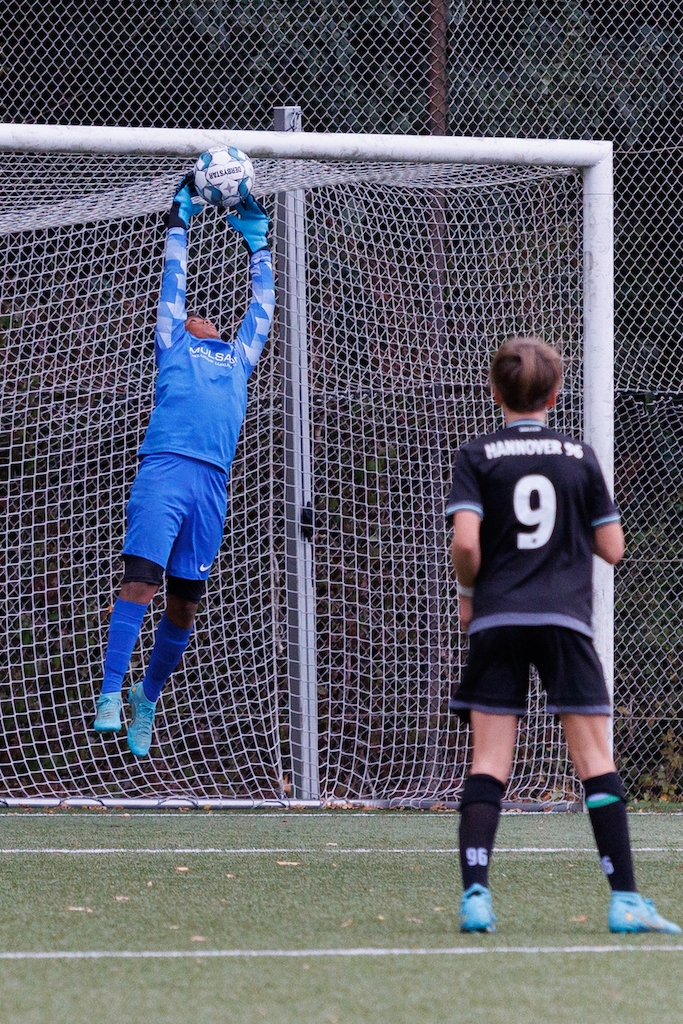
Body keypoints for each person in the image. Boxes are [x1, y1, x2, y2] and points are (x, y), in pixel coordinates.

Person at [446, 334, 680, 935]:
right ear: (555, 394)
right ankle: (625, 901)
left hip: (498, 618)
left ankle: (477, 898)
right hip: (564, 620)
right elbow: (613, 548)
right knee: (595, 760)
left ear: (494, 391)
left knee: (489, 761)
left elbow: (466, 542)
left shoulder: (477, 454)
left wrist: (470, 595)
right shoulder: (579, 456)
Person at [92, 176, 275, 757]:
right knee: (140, 582)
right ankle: (110, 693)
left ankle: (146, 697)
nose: (200, 315)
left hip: (211, 485)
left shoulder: (239, 355)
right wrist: (180, 220)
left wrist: (257, 241)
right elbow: (174, 277)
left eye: (206, 315)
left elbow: (263, 305)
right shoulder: (171, 338)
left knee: (184, 604)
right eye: (192, 312)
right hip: (165, 473)